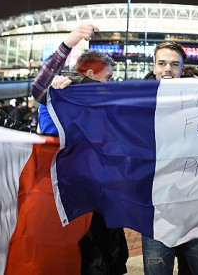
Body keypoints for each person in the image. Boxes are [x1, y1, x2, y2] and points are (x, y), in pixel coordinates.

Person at [30, 23, 128, 275]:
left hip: (101, 195)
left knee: (108, 257)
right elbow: (39, 88)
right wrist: (69, 42)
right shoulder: (60, 93)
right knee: (84, 259)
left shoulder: (105, 105)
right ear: (92, 74)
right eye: (108, 77)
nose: (111, 83)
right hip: (69, 196)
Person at [141, 41, 198, 275]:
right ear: (154, 67)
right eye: (162, 63)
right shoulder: (136, 102)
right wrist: (70, 83)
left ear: (182, 69)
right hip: (157, 213)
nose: (168, 69)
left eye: (174, 64)